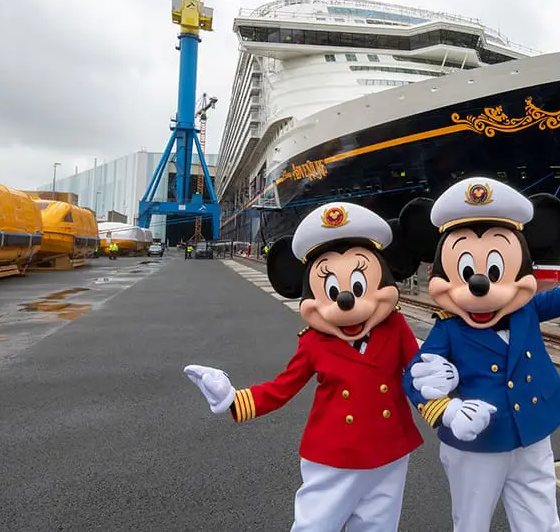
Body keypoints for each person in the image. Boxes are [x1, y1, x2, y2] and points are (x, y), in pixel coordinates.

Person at [397, 177, 560, 532]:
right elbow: (415, 378)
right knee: (472, 519)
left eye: (494, 271)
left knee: (539, 515)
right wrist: (447, 410)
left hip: (532, 434)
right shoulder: (447, 328)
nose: (480, 285)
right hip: (478, 443)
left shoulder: (527, 310)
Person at [183, 202, 427, 531]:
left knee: (378, 526)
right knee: (315, 525)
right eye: (331, 290)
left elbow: (418, 375)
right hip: (332, 456)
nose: (346, 301)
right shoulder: (314, 341)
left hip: (390, 449)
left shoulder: (394, 327)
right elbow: (283, 387)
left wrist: (446, 408)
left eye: (358, 286)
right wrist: (232, 399)